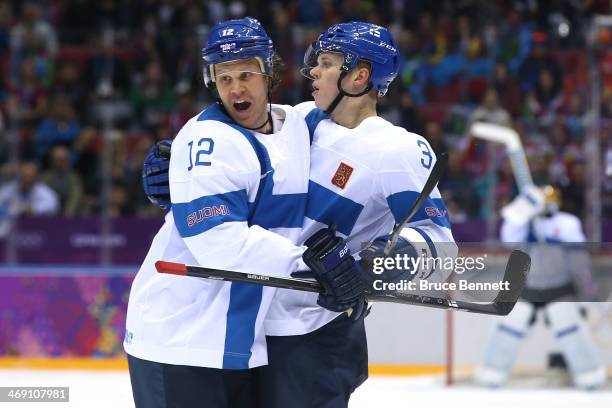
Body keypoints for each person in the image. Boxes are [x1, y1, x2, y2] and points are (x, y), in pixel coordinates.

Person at [143, 21, 457, 407]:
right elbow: (240, 153)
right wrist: (174, 172)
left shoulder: (399, 150)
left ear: (359, 76)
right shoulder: (304, 121)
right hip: (261, 329)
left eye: (326, 63)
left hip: (318, 330)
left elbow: (441, 248)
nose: (312, 71)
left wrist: (372, 265)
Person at [125, 17, 363, 408]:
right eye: (224, 78)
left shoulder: (297, 124)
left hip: (239, 343)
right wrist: (316, 266)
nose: (236, 88)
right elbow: (219, 243)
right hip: (178, 339)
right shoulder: (208, 140)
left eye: (247, 74)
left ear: (269, 71)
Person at [475, 185, 606, 389]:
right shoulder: (524, 223)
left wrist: (587, 290)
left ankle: (590, 376)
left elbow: (578, 260)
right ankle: (492, 373)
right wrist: (523, 211)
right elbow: (507, 238)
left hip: (559, 287)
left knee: (570, 329)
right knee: (509, 327)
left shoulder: (567, 223)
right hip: (528, 287)